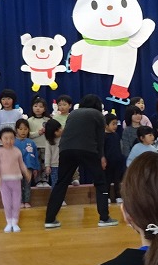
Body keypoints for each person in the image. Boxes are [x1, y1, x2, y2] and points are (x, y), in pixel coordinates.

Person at [44, 95, 118, 230]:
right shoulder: (98, 115)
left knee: (61, 183)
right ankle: (104, 218)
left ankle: (49, 219)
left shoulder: (73, 114)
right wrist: (101, 156)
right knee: (101, 183)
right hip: (88, 149)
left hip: (66, 150)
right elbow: (100, 139)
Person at [0, 126, 27, 233]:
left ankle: (15, 222)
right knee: (7, 203)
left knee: (16, 202)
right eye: (6, 138)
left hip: (16, 180)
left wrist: (26, 172)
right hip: (4, 181)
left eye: (11, 138)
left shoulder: (17, 151)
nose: (9, 141)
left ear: (15, 139)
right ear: (0, 139)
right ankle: (9, 222)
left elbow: (21, 164)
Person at [14, 118, 40, 208]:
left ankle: (27, 201)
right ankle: (20, 201)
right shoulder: (13, 142)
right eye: (20, 129)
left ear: (28, 130)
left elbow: (35, 156)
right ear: (16, 130)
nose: (23, 131)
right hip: (17, 168)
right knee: (18, 186)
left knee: (27, 185)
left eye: (25, 129)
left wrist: (36, 168)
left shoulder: (31, 142)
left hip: (29, 167)